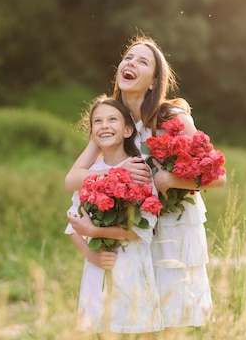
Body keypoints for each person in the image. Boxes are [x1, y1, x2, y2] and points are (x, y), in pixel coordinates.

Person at [66, 35, 226, 338]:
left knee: (169, 320)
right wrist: (115, 173)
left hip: (173, 229)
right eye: (128, 57)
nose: (131, 63)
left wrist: (171, 179)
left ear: (154, 81)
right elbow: (73, 179)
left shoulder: (173, 119)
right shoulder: (111, 119)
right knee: (135, 320)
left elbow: (218, 177)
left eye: (143, 61)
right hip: (135, 231)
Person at [65, 95, 163, 339]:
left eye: (112, 120)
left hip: (130, 267)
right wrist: (91, 254)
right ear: (92, 132)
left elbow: (142, 230)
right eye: (97, 121)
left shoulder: (138, 169)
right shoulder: (88, 175)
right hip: (98, 267)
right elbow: (74, 225)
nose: (104, 125)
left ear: (128, 130)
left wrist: (97, 232)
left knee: (132, 330)